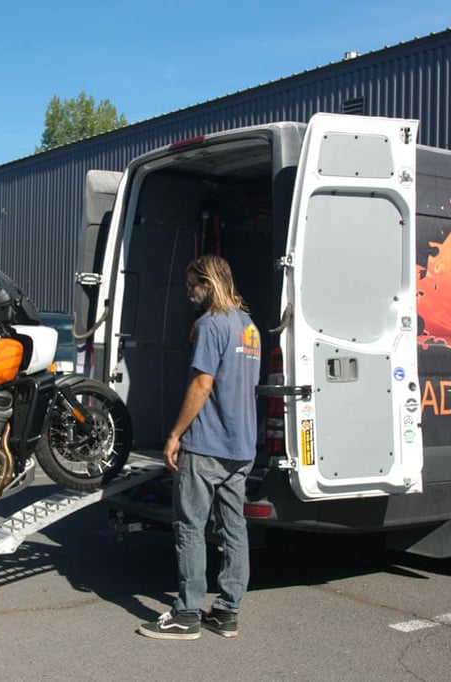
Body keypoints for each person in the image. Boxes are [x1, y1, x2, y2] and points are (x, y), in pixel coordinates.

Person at [138, 254, 261, 640]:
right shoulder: (249, 327)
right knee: (233, 527)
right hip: (241, 446)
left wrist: (175, 434)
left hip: (207, 444)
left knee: (190, 528)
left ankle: (187, 613)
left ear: (208, 284)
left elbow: (202, 384)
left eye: (193, 284)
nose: (189, 291)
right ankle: (227, 612)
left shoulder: (209, 325)